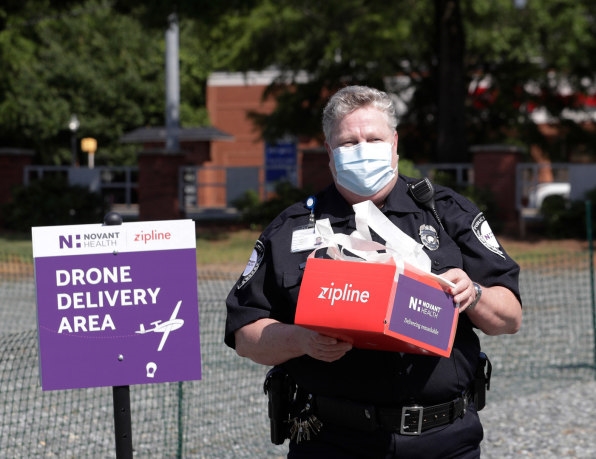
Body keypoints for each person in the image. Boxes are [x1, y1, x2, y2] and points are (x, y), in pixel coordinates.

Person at [225, 85, 522, 458]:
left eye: (374, 138)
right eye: (349, 143)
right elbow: (244, 333)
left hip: (445, 441)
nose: (363, 150)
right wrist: (302, 340)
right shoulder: (291, 229)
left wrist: (473, 294)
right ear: (330, 154)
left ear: (395, 145)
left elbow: (509, 317)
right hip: (333, 441)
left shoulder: (446, 213)